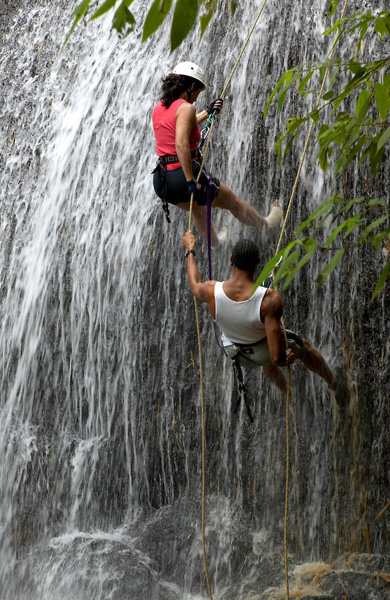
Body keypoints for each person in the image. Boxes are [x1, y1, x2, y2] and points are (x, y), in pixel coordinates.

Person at [182, 230, 336, 395]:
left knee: (266, 350)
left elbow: (194, 284)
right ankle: (333, 382)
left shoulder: (211, 291)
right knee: (302, 346)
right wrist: (284, 359)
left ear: (231, 259)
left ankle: (288, 392)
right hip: (264, 353)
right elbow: (276, 357)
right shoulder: (269, 299)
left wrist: (190, 250)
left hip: (237, 354)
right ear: (258, 262)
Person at [152, 61, 282, 246]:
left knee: (197, 209)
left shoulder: (160, 108)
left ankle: (215, 243)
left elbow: (181, 123)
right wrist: (190, 180)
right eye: (197, 91)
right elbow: (181, 143)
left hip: (162, 180)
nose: (197, 97)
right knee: (232, 202)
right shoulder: (187, 108)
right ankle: (267, 225)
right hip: (183, 176)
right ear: (190, 86)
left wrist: (208, 111)